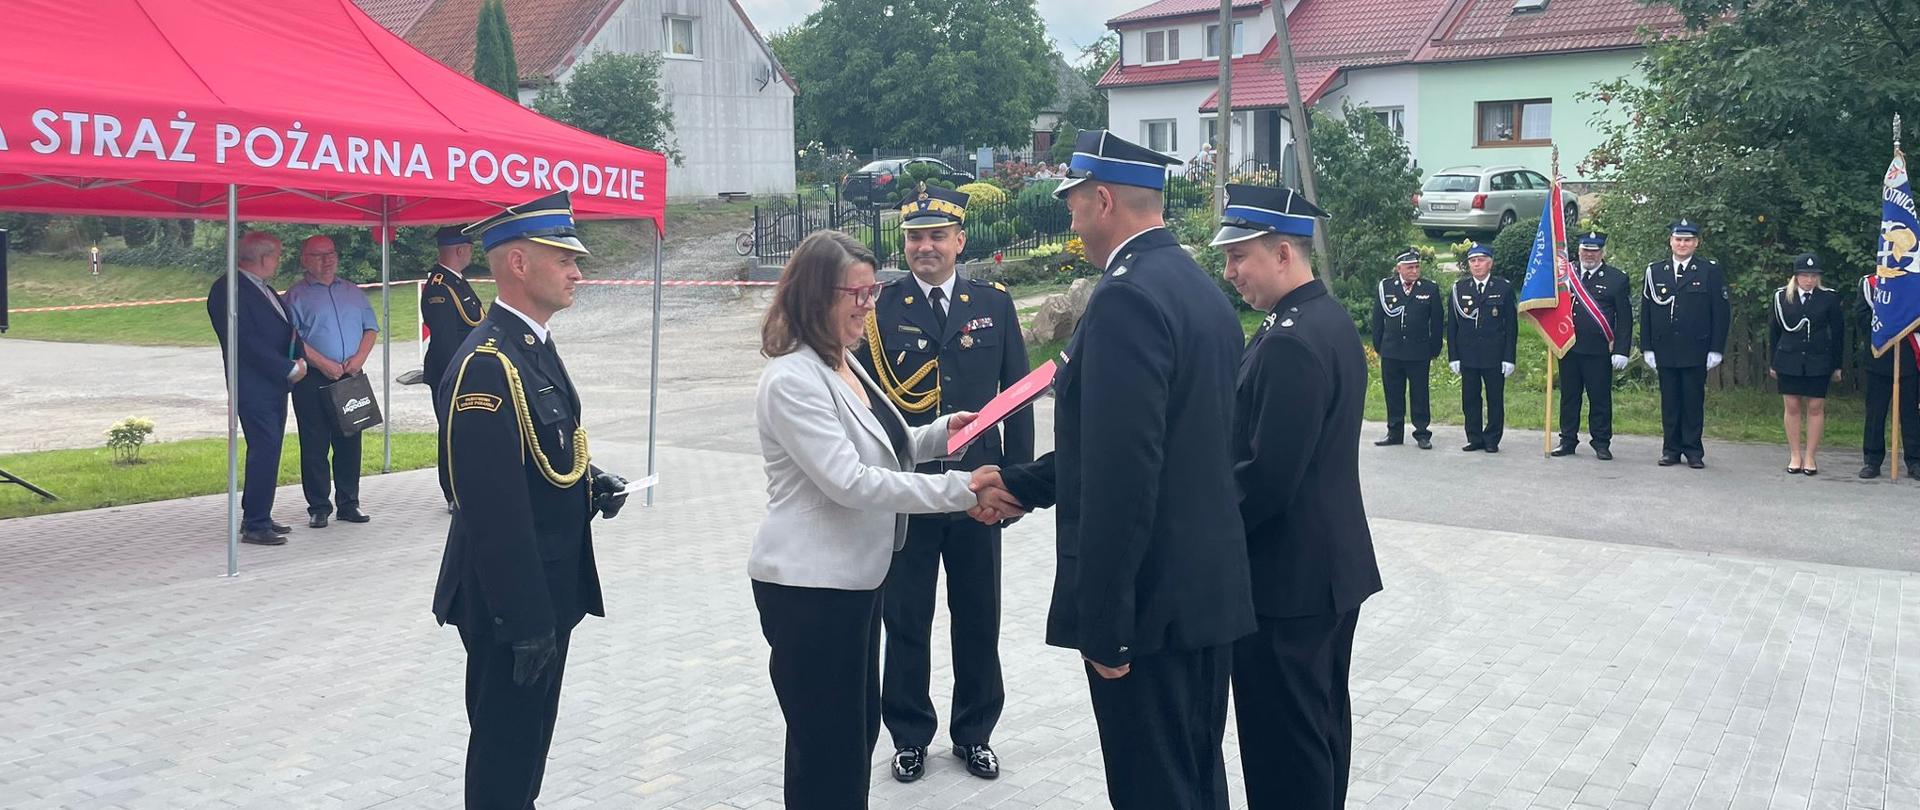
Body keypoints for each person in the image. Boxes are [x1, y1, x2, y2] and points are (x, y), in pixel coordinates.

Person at [974, 129, 1257, 810]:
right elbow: (1128, 441)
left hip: (1148, 605)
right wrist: (1019, 483)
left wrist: (1106, 622)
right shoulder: (1195, 287)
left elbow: (1123, 473)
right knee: (1194, 776)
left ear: (1102, 200)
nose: (1070, 220)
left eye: (1072, 205)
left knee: (1154, 788)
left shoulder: (1126, 298)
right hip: (1200, 591)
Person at [751, 229, 1006, 808]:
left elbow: (887, 446)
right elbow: (851, 481)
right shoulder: (793, 379)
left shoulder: (844, 364)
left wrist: (944, 431)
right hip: (809, 589)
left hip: (854, 581)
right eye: (858, 295)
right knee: (827, 748)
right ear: (817, 295)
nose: (869, 307)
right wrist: (961, 489)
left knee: (854, 736)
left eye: (873, 293)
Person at [431, 191, 632, 809]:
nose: (578, 271)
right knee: (504, 750)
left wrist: (584, 481)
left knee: (526, 747)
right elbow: (490, 511)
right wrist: (524, 623)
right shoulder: (488, 363)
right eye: (563, 259)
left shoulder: (531, 345)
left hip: (545, 587)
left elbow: (535, 451)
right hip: (511, 602)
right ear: (518, 264)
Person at [1211, 184, 1381, 809]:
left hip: (1287, 582)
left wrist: (1205, 525)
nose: (1230, 273)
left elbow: (1267, 479)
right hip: (1325, 570)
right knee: (1320, 728)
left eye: (1240, 257)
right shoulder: (1323, 317)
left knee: (1287, 746)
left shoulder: (1289, 339)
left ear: (1283, 253)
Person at [857, 185, 1032, 783]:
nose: (924, 247)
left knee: (978, 615)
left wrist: (1020, 485)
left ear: (961, 241)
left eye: (936, 236)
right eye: (914, 237)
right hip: (909, 491)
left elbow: (1017, 398)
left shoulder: (995, 303)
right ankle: (909, 735)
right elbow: (873, 409)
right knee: (906, 617)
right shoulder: (881, 309)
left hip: (982, 491)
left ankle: (975, 732)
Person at [205, 231, 305, 546]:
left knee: (270, 448)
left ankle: (260, 512)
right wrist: (285, 368)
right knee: (263, 448)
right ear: (263, 257)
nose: (278, 261)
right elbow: (243, 340)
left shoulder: (262, 288)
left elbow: (284, 327)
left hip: (273, 384)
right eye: (276, 255)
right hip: (254, 384)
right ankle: (255, 524)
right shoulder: (229, 290)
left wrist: (299, 356)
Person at [284, 235, 378, 527]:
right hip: (313, 378)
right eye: (318, 255)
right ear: (304, 260)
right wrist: (323, 364)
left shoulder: (353, 292)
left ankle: (349, 503)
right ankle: (318, 506)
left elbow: (370, 328)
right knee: (314, 444)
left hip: (351, 376)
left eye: (331, 253)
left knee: (350, 441)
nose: (327, 260)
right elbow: (293, 338)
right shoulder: (294, 297)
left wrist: (360, 359)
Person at [1641, 218, 1730, 469]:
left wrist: (1716, 348)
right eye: (1678, 239)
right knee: (1669, 401)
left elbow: (1720, 313)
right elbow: (1646, 311)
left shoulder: (1709, 271)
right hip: (1665, 347)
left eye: (1687, 240)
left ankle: (1693, 450)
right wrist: (1646, 346)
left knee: (1692, 401)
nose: (1682, 244)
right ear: (1670, 241)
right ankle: (1670, 449)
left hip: (1696, 348)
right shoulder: (1655, 271)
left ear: (1696, 243)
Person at [422, 226, 487, 513]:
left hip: (466, 372)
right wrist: (461, 376)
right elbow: (447, 341)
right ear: (461, 250)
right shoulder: (440, 286)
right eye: (469, 248)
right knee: (452, 433)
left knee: (468, 432)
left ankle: (468, 487)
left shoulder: (456, 282)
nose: (471, 253)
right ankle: (453, 493)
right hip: (452, 374)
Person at [1553, 233, 1632, 460]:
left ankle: (1601, 442)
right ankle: (1567, 440)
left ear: (1602, 252)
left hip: (1599, 350)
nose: (1589, 254)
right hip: (1569, 347)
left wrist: (1621, 350)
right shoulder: (1564, 275)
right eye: (1585, 250)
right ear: (1578, 251)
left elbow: (1625, 319)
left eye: (1594, 251)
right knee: (1569, 397)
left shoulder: (1616, 279)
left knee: (1599, 398)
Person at [1767, 253, 1846, 475]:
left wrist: (1837, 365)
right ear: (1796, 276)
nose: (1809, 280)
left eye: (1813, 275)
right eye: (1804, 275)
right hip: (1788, 358)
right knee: (1791, 406)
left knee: (1815, 407)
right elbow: (1774, 331)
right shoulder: (1782, 297)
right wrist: (1773, 362)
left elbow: (1838, 333)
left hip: (1818, 359)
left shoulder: (1829, 298)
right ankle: (1795, 454)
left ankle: (1810, 456)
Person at [1447, 244, 1517, 452]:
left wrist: (1509, 357)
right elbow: (1452, 326)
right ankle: (1474, 437)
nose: (1476, 265)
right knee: (1470, 398)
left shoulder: (1502, 288)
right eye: (1472, 261)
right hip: (1468, 354)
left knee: (1494, 399)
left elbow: (1511, 327)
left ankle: (1492, 439)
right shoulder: (1459, 289)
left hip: (1494, 355)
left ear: (1490, 263)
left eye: (1481, 260)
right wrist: (1453, 356)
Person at [1371, 249, 1444, 449]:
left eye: (1417, 266)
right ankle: (1394, 432)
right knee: (1393, 392)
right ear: (1399, 268)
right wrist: (1379, 346)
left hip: (1418, 351)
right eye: (1410, 267)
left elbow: (1437, 322)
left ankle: (1422, 433)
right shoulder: (1386, 287)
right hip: (1391, 350)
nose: (1414, 270)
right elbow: (1378, 320)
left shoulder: (1429, 289)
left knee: (1420, 393)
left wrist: (1434, 348)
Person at [1857, 272, 1920, 479]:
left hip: (1909, 357)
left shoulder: (1915, 283)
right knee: (1876, 412)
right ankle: (1872, 460)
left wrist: (1903, 323)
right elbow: (1861, 316)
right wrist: (1887, 323)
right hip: (1880, 356)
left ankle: (1915, 460)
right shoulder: (1870, 283)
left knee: (1910, 413)